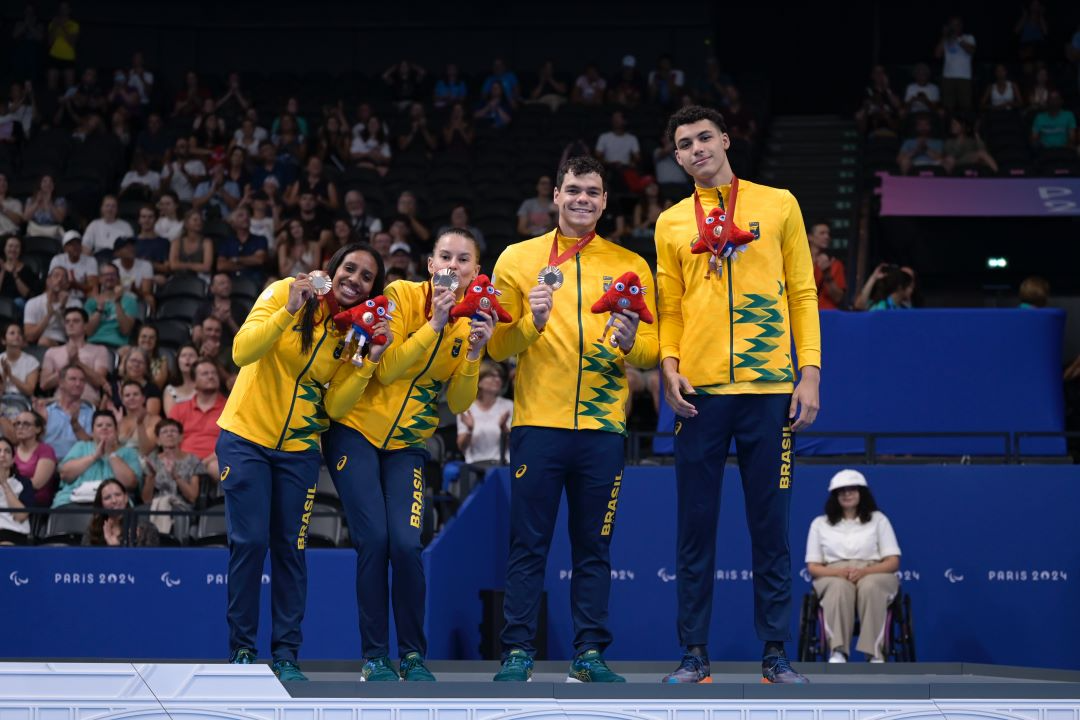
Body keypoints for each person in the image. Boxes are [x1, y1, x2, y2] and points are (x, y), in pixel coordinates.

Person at [655, 106, 820, 684]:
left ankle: (776, 653)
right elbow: (669, 305)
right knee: (694, 528)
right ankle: (693, 654)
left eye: (705, 137)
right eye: (685, 143)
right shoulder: (671, 222)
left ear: (725, 139)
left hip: (769, 389)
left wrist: (810, 373)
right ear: (676, 157)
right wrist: (668, 366)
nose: (697, 148)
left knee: (770, 528)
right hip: (699, 393)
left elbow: (802, 292)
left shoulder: (779, 204)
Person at [488, 156, 659, 683]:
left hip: (602, 430)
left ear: (606, 201)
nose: (583, 199)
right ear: (555, 196)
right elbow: (496, 342)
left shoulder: (631, 263)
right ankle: (517, 649)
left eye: (593, 191)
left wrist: (635, 344)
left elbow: (654, 351)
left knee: (594, 547)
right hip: (538, 424)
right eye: (573, 190)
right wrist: (532, 324)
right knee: (527, 544)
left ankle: (588, 653)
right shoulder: (517, 259)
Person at [323, 229, 491, 683]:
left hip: (407, 446)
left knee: (407, 544)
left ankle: (413, 656)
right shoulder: (400, 295)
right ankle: (376, 657)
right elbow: (390, 365)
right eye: (445, 257)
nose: (453, 267)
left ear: (476, 271)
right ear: (431, 263)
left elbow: (458, 403)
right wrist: (433, 324)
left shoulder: (469, 322)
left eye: (464, 260)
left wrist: (473, 353)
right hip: (354, 432)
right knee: (374, 541)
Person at [217, 242, 390, 682]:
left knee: (290, 551)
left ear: (374, 288)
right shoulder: (283, 292)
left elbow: (335, 405)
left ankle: (287, 654)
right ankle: (241, 649)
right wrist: (288, 312)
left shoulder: (354, 333)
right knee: (250, 542)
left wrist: (367, 362)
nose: (354, 279)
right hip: (246, 438)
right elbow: (241, 351)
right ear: (332, 269)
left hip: (298, 451)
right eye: (349, 268)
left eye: (366, 276)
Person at [805, 470, 901, 663]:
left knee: (871, 586)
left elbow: (892, 561)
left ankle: (874, 653)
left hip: (873, 571)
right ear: (835, 496)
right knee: (838, 588)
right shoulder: (820, 524)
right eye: (841, 491)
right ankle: (838, 651)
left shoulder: (878, 520)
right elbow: (813, 566)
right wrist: (839, 573)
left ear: (861, 493)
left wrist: (864, 572)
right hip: (833, 573)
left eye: (852, 489)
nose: (847, 494)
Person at [54, 410, 141, 508]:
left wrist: (110, 454)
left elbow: (130, 484)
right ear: (92, 432)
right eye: (99, 425)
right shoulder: (81, 447)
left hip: (114, 503)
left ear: (116, 431)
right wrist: (94, 456)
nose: (104, 428)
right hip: (74, 502)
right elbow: (65, 474)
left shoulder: (128, 452)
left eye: (109, 425)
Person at [141, 418, 203, 535]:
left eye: (173, 431)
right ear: (158, 440)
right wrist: (152, 476)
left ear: (181, 437)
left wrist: (176, 476)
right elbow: (146, 499)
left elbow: (192, 497)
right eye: (164, 432)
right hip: (156, 506)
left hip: (182, 507)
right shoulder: (152, 461)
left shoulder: (193, 460)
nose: (169, 434)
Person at [168, 359, 226, 477]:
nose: (211, 376)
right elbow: (169, 438)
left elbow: (232, 442)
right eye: (205, 374)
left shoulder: (231, 407)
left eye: (214, 373)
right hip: (184, 462)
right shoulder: (179, 409)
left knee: (216, 467)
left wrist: (205, 462)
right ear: (193, 382)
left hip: (216, 461)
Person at [40, 309, 110, 404]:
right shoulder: (52, 352)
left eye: (76, 321)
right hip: (59, 402)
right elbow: (44, 384)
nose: (71, 324)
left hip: (88, 402)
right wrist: (68, 365)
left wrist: (78, 363)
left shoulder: (99, 350)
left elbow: (100, 382)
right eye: (67, 321)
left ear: (85, 326)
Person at [456, 359, 512, 466]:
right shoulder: (466, 407)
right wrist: (469, 429)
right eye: (491, 376)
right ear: (479, 380)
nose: (497, 379)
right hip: (474, 468)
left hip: (502, 466)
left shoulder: (508, 406)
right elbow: (461, 447)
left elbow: (516, 445)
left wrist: (505, 429)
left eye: (499, 376)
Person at [81, 477, 159, 546]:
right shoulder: (93, 530)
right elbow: (85, 559)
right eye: (107, 498)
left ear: (126, 498)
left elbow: (149, 560)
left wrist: (131, 543)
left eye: (118, 495)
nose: (114, 500)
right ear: (101, 504)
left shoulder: (145, 529)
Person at [40, 364, 94, 463]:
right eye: (73, 379)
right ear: (61, 383)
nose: (78, 384)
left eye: (82, 380)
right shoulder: (46, 411)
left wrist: (76, 425)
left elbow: (92, 445)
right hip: (48, 463)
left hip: (80, 463)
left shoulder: (91, 412)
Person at [84, 263, 138, 349]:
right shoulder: (90, 302)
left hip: (118, 346)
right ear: (100, 279)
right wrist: (99, 310)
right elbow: (88, 332)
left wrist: (117, 302)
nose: (109, 277)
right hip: (93, 345)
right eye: (106, 275)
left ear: (118, 278)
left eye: (113, 274)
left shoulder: (130, 301)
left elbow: (126, 330)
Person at [12, 410, 58, 508]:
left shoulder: (46, 451)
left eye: (26, 424)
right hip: (8, 499)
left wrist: (8, 486)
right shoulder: (9, 450)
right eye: (17, 423)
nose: (20, 427)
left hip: (36, 505)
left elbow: (37, 484)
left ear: (38, 429)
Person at [934, 15, 976, 112]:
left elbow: (971, 51)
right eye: (952, 25)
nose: (954, 27)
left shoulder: (968, 37)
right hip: (948, 77)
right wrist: (944, 36)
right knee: (948, 107)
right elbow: (937, 55)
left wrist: (957, 38)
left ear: (961, 26)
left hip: (964, 77)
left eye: (956, 24)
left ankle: (966, 126)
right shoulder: (946, 39)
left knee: (965, 107)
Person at [0, 437, 34, 545]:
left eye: (7, 451)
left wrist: (4, 484)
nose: (2, 455)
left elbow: (21, 516)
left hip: (13, 533)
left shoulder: (23, 483)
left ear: (13, 459)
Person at [48, 229, 96, 302]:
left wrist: (75, 285)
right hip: (60, 297)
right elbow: (50, 282)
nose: (75, 247)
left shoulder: (90, 260)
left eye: (77, 243)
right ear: (65, 248)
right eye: (71, 244)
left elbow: (92, 287)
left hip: (83, 299)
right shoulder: (57, 259)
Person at [808, 221, 846, 310]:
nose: (827, 237)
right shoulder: (798, 263)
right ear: (809, 237)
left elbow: (838, 298)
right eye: (822, 233)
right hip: (803, 315)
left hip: (826, 316)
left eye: (828, 234)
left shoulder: (835, 264)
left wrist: (827, 274)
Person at [1, 323, 39, 401]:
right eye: (12, 333)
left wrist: (11, 376)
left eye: (19, 333)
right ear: (3, 340)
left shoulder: (31, 361)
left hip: (22, 399)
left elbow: (29, 391)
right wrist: (4, 375)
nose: (17, 336)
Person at [23, 175, 67, 239]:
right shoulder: (31, 200)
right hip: (34, 231)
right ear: (40, 184)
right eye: (45, 181)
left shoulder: (60, 200)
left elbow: (60, 219)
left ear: (53, 185)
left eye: (50, 182)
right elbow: (25, 218)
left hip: (53, 232)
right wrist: (37, 202)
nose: (48, 184)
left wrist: (49, 203)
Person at [0, 235, 40, 305]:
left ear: (20, 250)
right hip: (2, 302)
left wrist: (15, 275)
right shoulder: (1, 267)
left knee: (18, 301)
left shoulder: (27, 269)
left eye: (17, 247)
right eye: (10, 246)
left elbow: (27, 295)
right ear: (4, 248)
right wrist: (3, 271)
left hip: (18, 304)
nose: (13, 249)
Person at [163, 344, 198, 415]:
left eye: (191, 355)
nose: (187, 358)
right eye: (183, 355)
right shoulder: (170, 390)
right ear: (177, 361)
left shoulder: (205, 386)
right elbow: (171, 418)